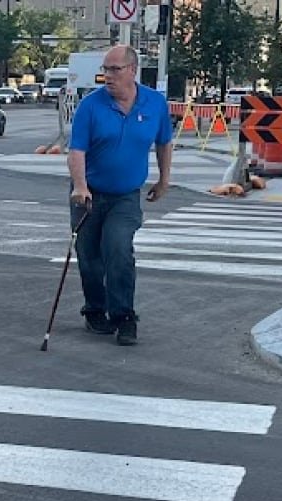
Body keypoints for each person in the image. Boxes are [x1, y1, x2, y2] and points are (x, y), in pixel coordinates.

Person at [67, 45, 172, 346]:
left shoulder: (155, 104)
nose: (107, 76)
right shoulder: (91, 105)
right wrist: (80, 185)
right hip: (88, 192)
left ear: (132, 70)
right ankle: (95, 309)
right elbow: (76, 151)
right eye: (105, 69)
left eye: (115, 70)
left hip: (125, 195)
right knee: (89, 257)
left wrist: (164, 179)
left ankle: (124, 316)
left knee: (118, 248)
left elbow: (164, 143)